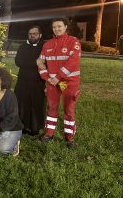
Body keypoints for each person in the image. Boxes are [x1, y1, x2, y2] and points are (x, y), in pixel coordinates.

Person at [37, 18, 81, 149]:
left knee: (69, 110)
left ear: (66, 27)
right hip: (52, 83)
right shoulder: (47, 44)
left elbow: (73, 62)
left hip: (69, 82)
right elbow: (40, 62)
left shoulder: (73, 41)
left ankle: (69, 138)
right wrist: (46, 77)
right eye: (54, 27)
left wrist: (58, 77)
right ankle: (49, 134)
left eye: (59, 26)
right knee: (51, 108)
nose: (57, 29)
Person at [14, 26, 45, 136]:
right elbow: (18, 62)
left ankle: (35, 128)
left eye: (35, 33)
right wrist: (35, 63)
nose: (32, 35)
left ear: (40, 35)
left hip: (38, 81)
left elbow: (45, 63)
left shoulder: (44, 47)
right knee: (21, 103)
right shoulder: (22, 46)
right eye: (30, 33)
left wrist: (29, 63)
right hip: (23, 80)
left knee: (36, 104)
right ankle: (21, 126)